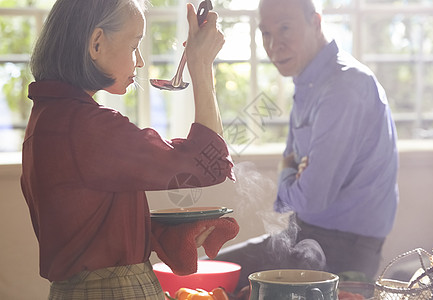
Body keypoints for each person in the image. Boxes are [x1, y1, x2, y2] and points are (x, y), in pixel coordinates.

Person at [20, 0, 238, 299]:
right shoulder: (85, 125)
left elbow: (89, 225)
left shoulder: (50, 118)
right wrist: (201, 67)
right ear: (96, 43)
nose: (139, 61)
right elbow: (206, 164)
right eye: (135, 45)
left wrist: (167, 232)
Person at [213, 0, 399, 290]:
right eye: (266, 33)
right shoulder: (309, 81)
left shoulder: (343, 88)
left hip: (341, 250)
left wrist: (288, 176)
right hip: (305, 235)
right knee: (210, 275)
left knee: (222, 286)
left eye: (285, 28)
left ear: (316, 22)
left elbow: (311, 198)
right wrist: (293, 174)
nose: (274, 45)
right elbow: (291, 172)